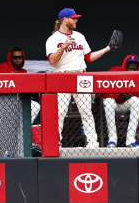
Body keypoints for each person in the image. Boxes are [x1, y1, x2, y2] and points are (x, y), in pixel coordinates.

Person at [46, 8, 117, 149]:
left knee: (86, 112)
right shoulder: (53, 39)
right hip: (63, 75)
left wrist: (108, 48)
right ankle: (56, 144)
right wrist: (64, 46)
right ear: (65, 20)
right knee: (59, 113)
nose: (76, 20)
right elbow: (52, 61)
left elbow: (89, 57)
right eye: (73, 18)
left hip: (81, 75)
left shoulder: (79, 36)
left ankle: (92, 144)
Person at [103, 54, 139, 148]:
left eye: (134, 69)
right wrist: (118, 95)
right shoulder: (114, 71)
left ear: (137, 68)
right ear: (125, 66)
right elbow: (103, 92)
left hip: (127, 105)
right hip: (114, 104)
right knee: (108, 101)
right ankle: (112, 140)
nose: (132, 70)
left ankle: (130, 140)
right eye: (129, 68)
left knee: (136, 101)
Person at [0, 46, 40, 124]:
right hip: (2, 100)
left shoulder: (23, 71)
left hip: (18, 100)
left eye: (20, 57)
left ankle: (22, 127)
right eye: (15, 57)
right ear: (10, 58)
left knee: (36, 106)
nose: (17, 60)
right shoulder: (1, 67)